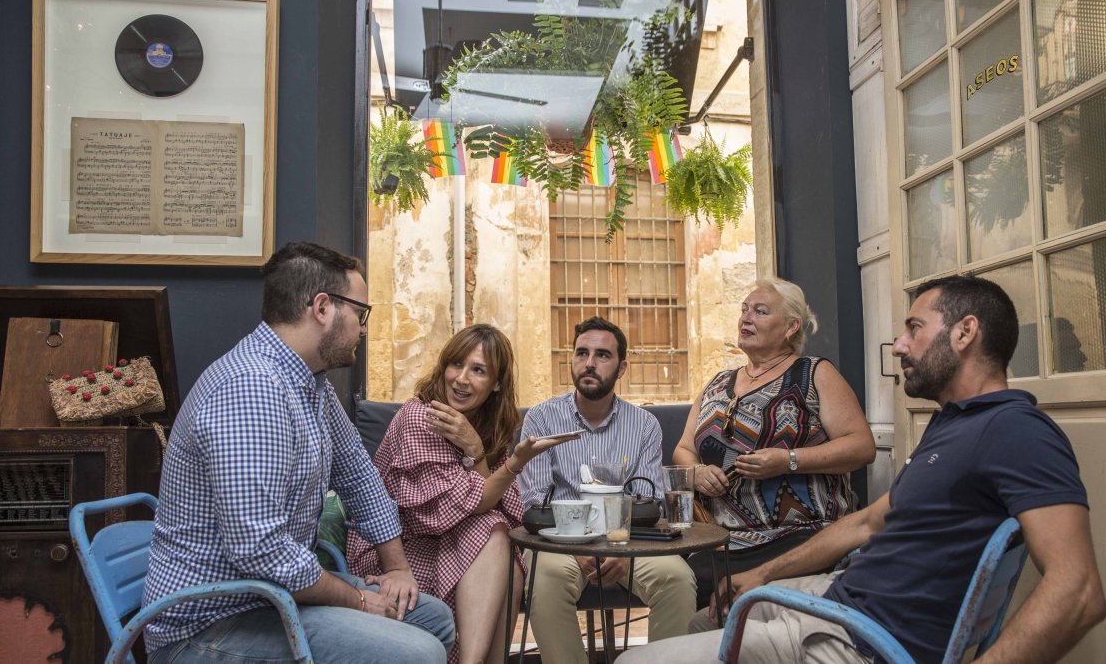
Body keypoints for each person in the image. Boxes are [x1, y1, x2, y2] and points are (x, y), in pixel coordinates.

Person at [617, 274, 1106, 663]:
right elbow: (872, 520)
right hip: (841, 597)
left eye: (914, 328)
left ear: (965, 333)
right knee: (707, 620)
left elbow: (1079, 591)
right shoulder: (953, 426)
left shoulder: (1015, 430)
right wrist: (763, 575)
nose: (897, 346)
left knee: (633, 663)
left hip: (858, 639)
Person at [142, 241, 456, 663]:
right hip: (211, 625)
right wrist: (359, 600)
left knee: (433, 619)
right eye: (360, 315)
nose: (364, 329)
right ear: (323, 308)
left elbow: (359, 476)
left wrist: (397, 568)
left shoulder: (310, 384)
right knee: (417, 653)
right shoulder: (251, 390)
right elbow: (262, 551)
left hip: (270, 601)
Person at [347, 324, 580, 664]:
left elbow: (496, 504)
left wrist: (477, 452)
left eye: (478, 370)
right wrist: (510, 462)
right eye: (456, 364)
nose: (461, 379)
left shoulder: (484, 423)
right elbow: (472, 505)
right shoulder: (420, 417)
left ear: (497, 383)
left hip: (451, 537)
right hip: (396, 548)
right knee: (493, 532)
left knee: (506, 551)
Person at [673, 277, 876, 607]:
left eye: (760, 311)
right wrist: (696, 472)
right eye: (744, 310)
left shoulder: (813, 374)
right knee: (680, 581)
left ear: (791, 327)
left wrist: (788, 461)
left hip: (803, 537)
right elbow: (684, 449)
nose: (746, 318)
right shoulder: (717, 382)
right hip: (724, 539)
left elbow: (861, 446)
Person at [518, 316, 697, 663]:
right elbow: (535, 500)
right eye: (582, 353)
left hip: (627, 542)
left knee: (677, 578)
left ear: (622, 367)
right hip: (560, 543)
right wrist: (578, 545)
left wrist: (620, 547)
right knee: (546, 583)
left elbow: (650, 501)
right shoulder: (541, 419)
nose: (589, 363)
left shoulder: (644, 424)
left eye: (602, 355)